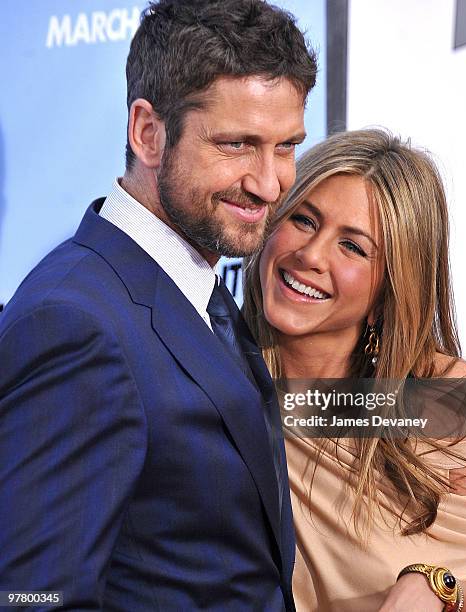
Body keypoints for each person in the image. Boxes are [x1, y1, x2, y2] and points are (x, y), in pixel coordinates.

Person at [0, 1, 317, 610]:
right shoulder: (74, 324)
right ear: (148, 132)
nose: (270, 182)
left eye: (285, 147)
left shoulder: (193, 276)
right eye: (237, 144)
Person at [243, 129, 466, 611]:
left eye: (352, 247)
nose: (311, 255)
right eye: (304, 220)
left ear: (387, 294)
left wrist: (435, 586)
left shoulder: (444, 398)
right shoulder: (208, 370)